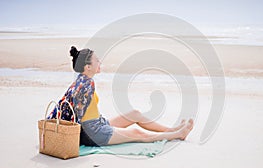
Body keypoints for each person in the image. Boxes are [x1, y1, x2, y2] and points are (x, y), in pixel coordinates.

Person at [48, 46, 194, 146]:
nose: (100, 62)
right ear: (88, 67)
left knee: (135, 114)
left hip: (99, 123)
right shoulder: (85, 85)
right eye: (97, 60)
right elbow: (75, 114)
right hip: (93, 132)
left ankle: (171, 130)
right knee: (136, 132)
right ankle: (177, 135)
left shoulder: (83, 81)